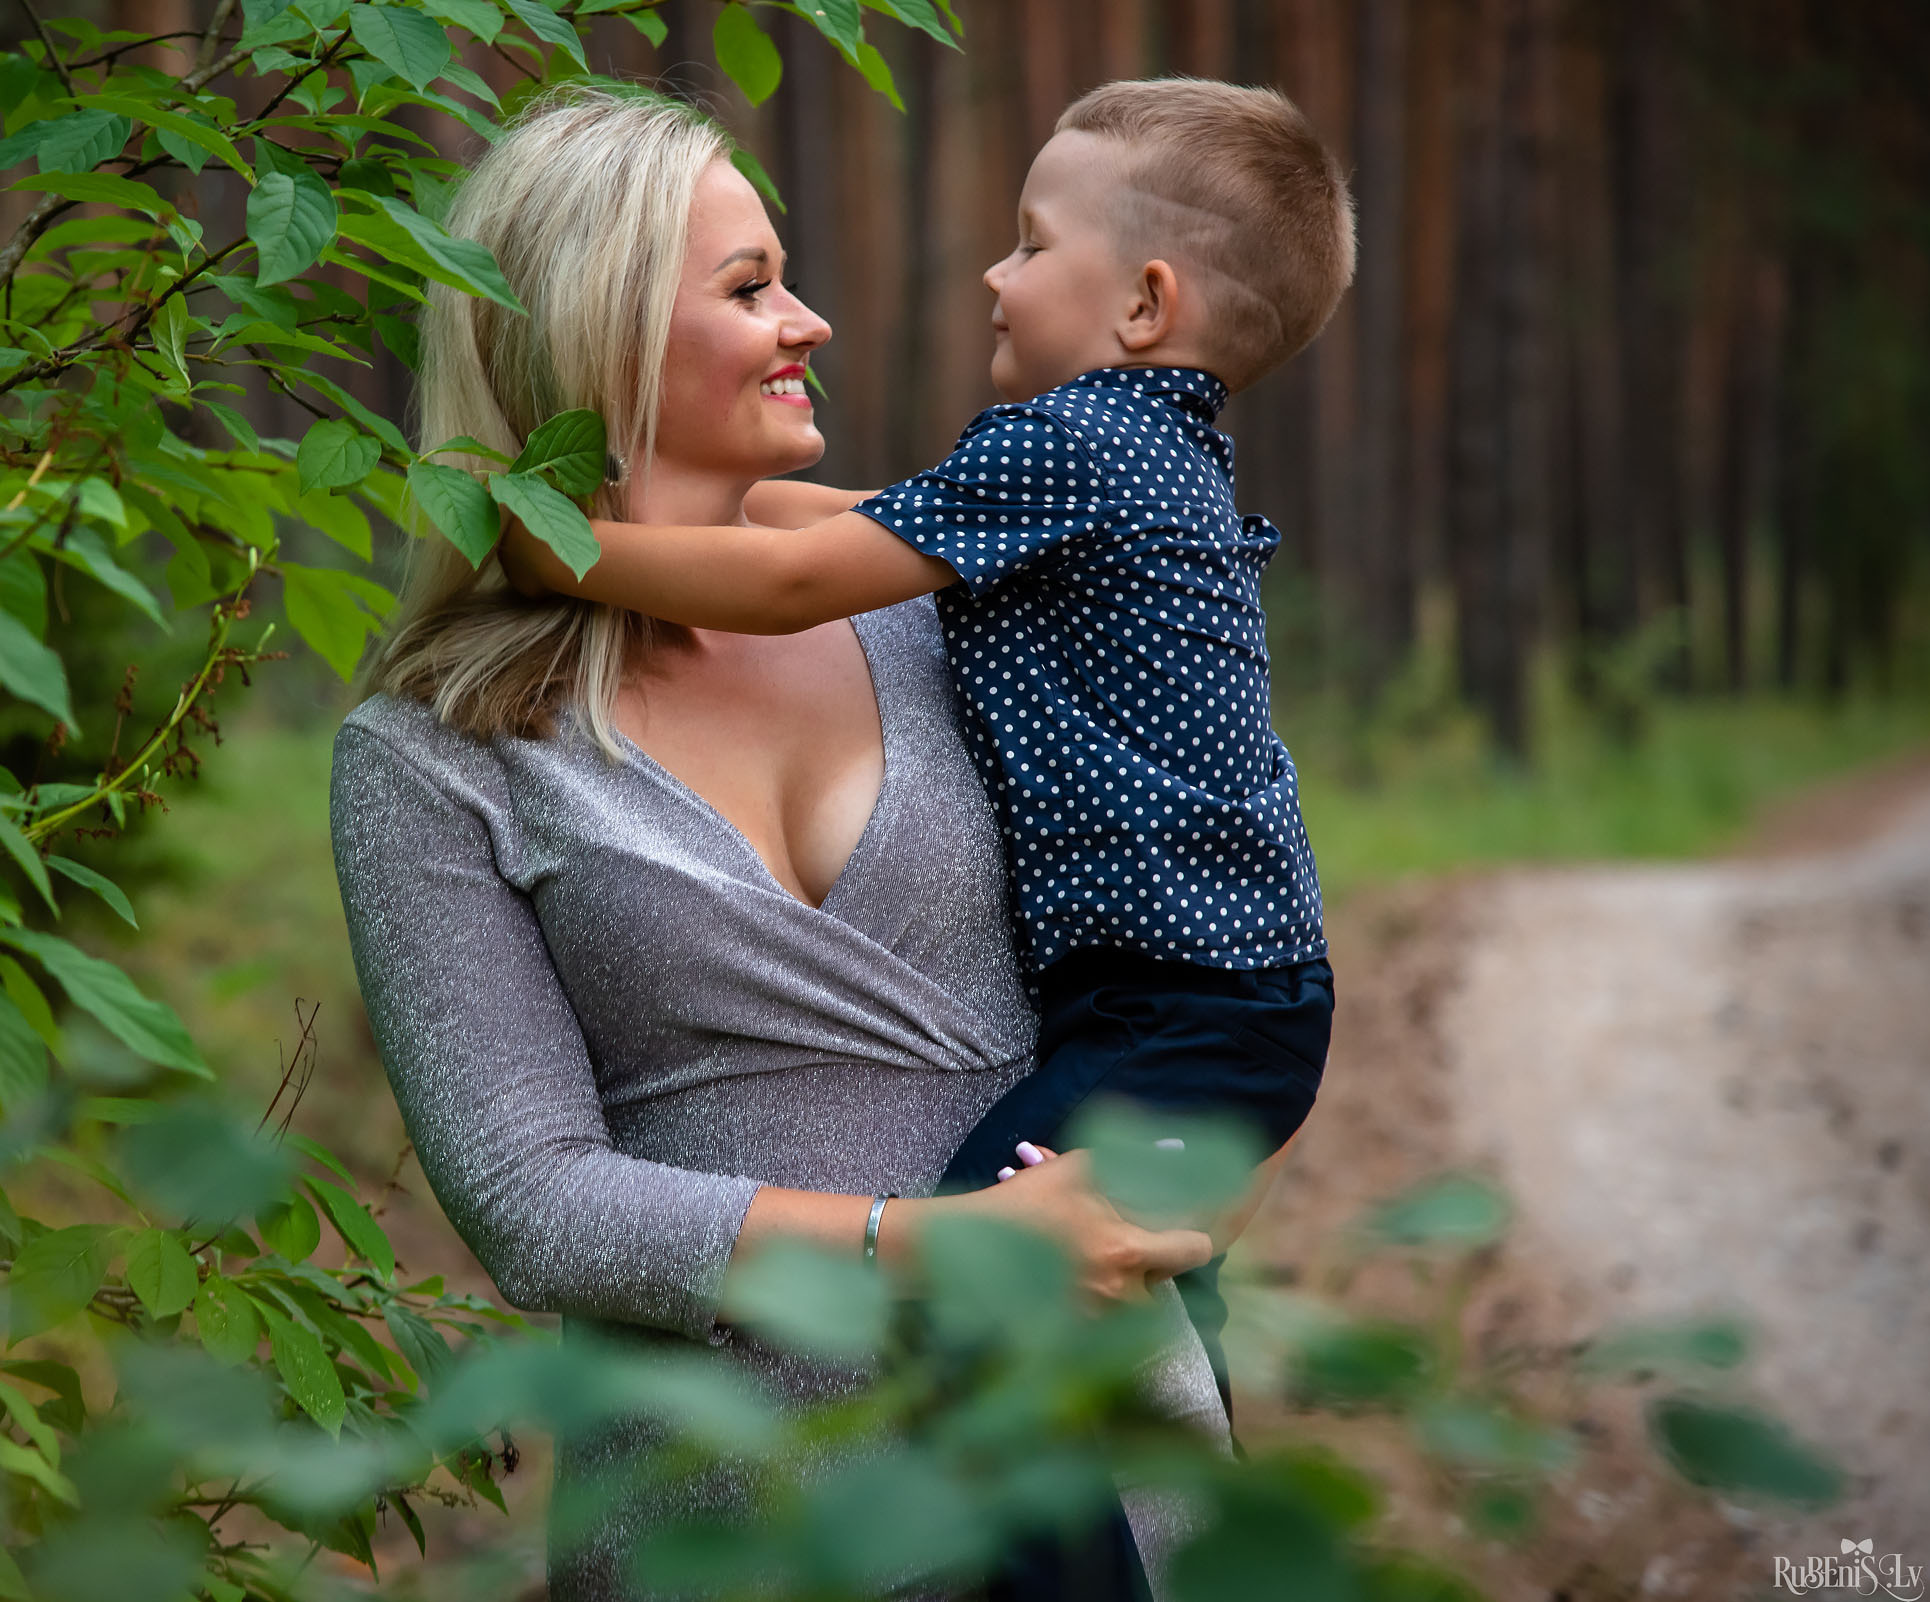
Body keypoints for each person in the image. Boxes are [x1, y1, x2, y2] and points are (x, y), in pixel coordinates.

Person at [329, 88, 1224, 1600]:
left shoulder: (948, 612)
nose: (810, 321)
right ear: (594, 337)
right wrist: (937, 1245)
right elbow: (539, 1204)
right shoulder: (431, 750)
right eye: (749, 289)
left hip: (1095, 1470)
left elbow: (1177, 899)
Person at [501, 77, 1358, 1425]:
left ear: (1142, 305)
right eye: (745, 287)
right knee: (1109, 1281)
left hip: (1181, 1003)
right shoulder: (1127, 458)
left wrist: (556, 544)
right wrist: (669, 495)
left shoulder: (1079, 443)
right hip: (1211, 994)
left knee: (999, 1270)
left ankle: (1062, 1550)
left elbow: (798, 582)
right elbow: (849, 521)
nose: (993, 272)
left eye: (1029, 241)